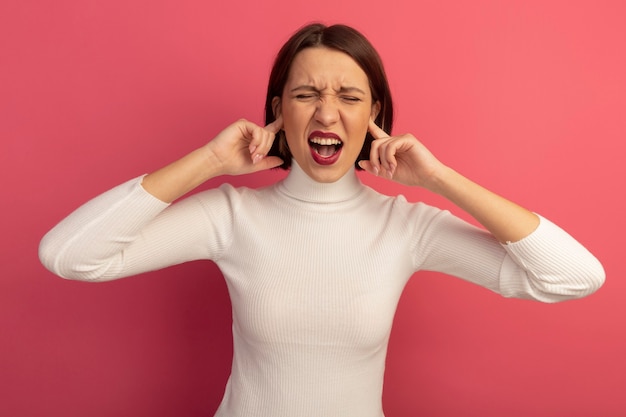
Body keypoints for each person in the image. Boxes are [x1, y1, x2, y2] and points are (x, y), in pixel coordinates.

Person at [39, 23, 605, 417]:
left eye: (349, 96)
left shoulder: (406, 227)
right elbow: (69, 257)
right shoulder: (231, 216)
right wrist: (210, 162)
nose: (327, 112)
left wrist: (439, 179)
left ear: (373, 114)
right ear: (280, 111)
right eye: (305, 94)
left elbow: (573, 277)